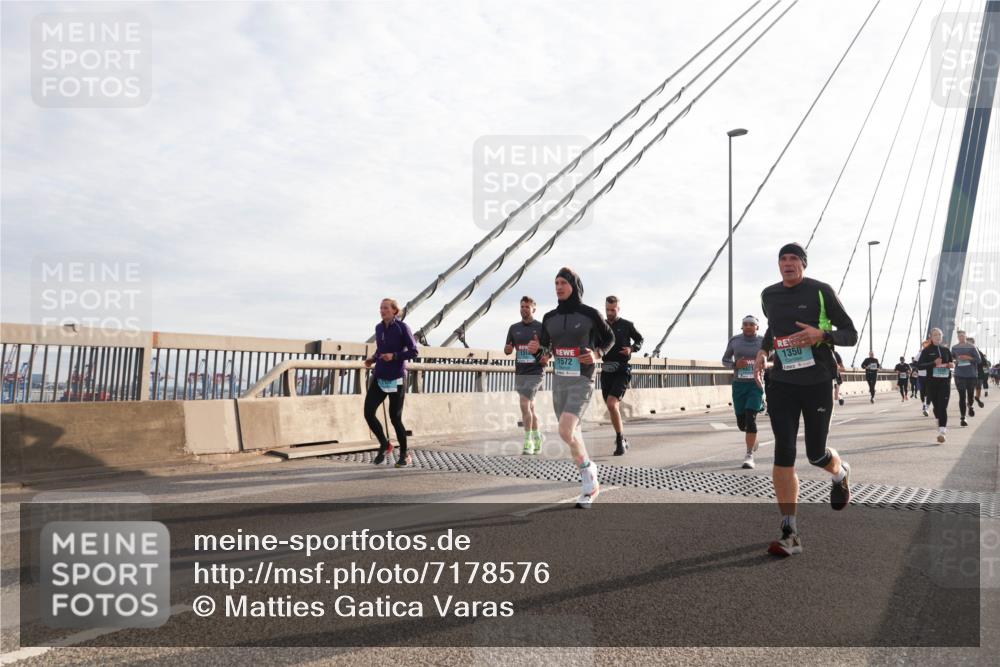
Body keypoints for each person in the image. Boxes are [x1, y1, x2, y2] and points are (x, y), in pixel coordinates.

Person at [754, 243, 858, 557]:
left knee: (815, 454)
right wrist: (763, 350)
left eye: (794, 259)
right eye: (783, 259)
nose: (788, 264)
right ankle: (790, 531)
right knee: (783, 452)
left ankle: (840, 473)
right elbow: (773, 329)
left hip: (816, 381)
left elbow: (850, 333)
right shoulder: (768, 295)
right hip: (782, 382)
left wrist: (822, 335)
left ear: (803, 264)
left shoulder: (820, 291)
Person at [528, 267, 614, 509]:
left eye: (563, 282)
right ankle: (590, 473)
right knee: (571, 434)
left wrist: (597, 354)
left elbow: (609, 339)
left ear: (573, 285)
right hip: (560, 381)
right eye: (555, 282)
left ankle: (588, 479)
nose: (558, 287)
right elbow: (546, 351)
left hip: (582, 380)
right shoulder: (549, 318)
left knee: (565, 431)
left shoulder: (589, 314)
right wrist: (538, 351)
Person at [363, 298, 420, 466]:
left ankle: (404, 454)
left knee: (395, 418)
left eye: (386, 308)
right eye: (381, 308)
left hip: (396, 378)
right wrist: (373, 359)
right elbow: (381, 349)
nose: (382, 310)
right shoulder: (379, 328)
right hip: (380, 376)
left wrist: (394, 356)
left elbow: (414, 351)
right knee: (368, 412)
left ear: (395, 310)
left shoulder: (403, 328)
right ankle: (385, 443)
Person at [600, 295, 644, 456]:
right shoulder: (601, 325)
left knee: (612, 403)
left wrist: (631, 349)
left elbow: (640, 340)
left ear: (618, 309)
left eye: (613, 310)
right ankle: (622, 438)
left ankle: (619, 441)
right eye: (607, 310)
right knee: (612, 407)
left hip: (622, 370)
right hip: (606, 370)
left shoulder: (626, 325)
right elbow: (592, 342)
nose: (610, 313)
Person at [722, 315, 765, 469]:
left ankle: (749, 455)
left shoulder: (763, 342)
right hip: (739, 385)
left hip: (756, 385)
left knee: (750, 417)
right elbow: (725, 360)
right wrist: (735, 364)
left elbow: (774, 360)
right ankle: (753, 439)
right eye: (745, 324)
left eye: (751, 324)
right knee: (742, 424)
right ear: (742, 327)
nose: (748, 326)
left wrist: (764, 365)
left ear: (757, 327)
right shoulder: (735, 341)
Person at [505, 296, 546, 455]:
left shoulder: (541, 328)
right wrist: (508, 349)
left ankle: (528, 440)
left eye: (527, 307)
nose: (523, 309)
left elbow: (549, 350)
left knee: (524, 403)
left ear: (533, 309)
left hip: (536, 372)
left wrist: (541, 353)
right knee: (531, 407)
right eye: (521, 306)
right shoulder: (514, 328)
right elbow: (508, 348)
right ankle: (538, 437)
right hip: (520, 372)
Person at [916, 327, 954, 443]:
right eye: (935, 335)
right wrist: (933, 363)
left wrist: (950, 365)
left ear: (942, 337)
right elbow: (920, 366)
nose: (938, 337)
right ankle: (939, 421)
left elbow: (952, 363)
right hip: (932, 383)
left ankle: (942, 432)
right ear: (931, 337)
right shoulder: (926, 351)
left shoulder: (946, 350)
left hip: (945, 383)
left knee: (943, 407)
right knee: (937, 408)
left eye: (939, 335)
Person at [951, 330, 981, 427]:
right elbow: (951, 359)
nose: (961, 337)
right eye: (959, 336)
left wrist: (968, 357)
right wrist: (955, 360)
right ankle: (963, 418)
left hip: (971, 375)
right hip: (959, 375)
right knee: (962, 396)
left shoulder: (972, 347)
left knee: (970, 395)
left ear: (966, 336)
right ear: (957, 337)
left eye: (963, 336)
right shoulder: (954, 348)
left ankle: (971, 406)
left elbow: (979, 360)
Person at [970, 337, 989, 403]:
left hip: (978, 373)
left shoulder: (978, 352)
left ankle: (975, 399)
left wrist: (986, 374)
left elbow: (985, 364)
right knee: (977, 387)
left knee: (976, 387)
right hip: (974, 373)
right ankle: (976, 398)